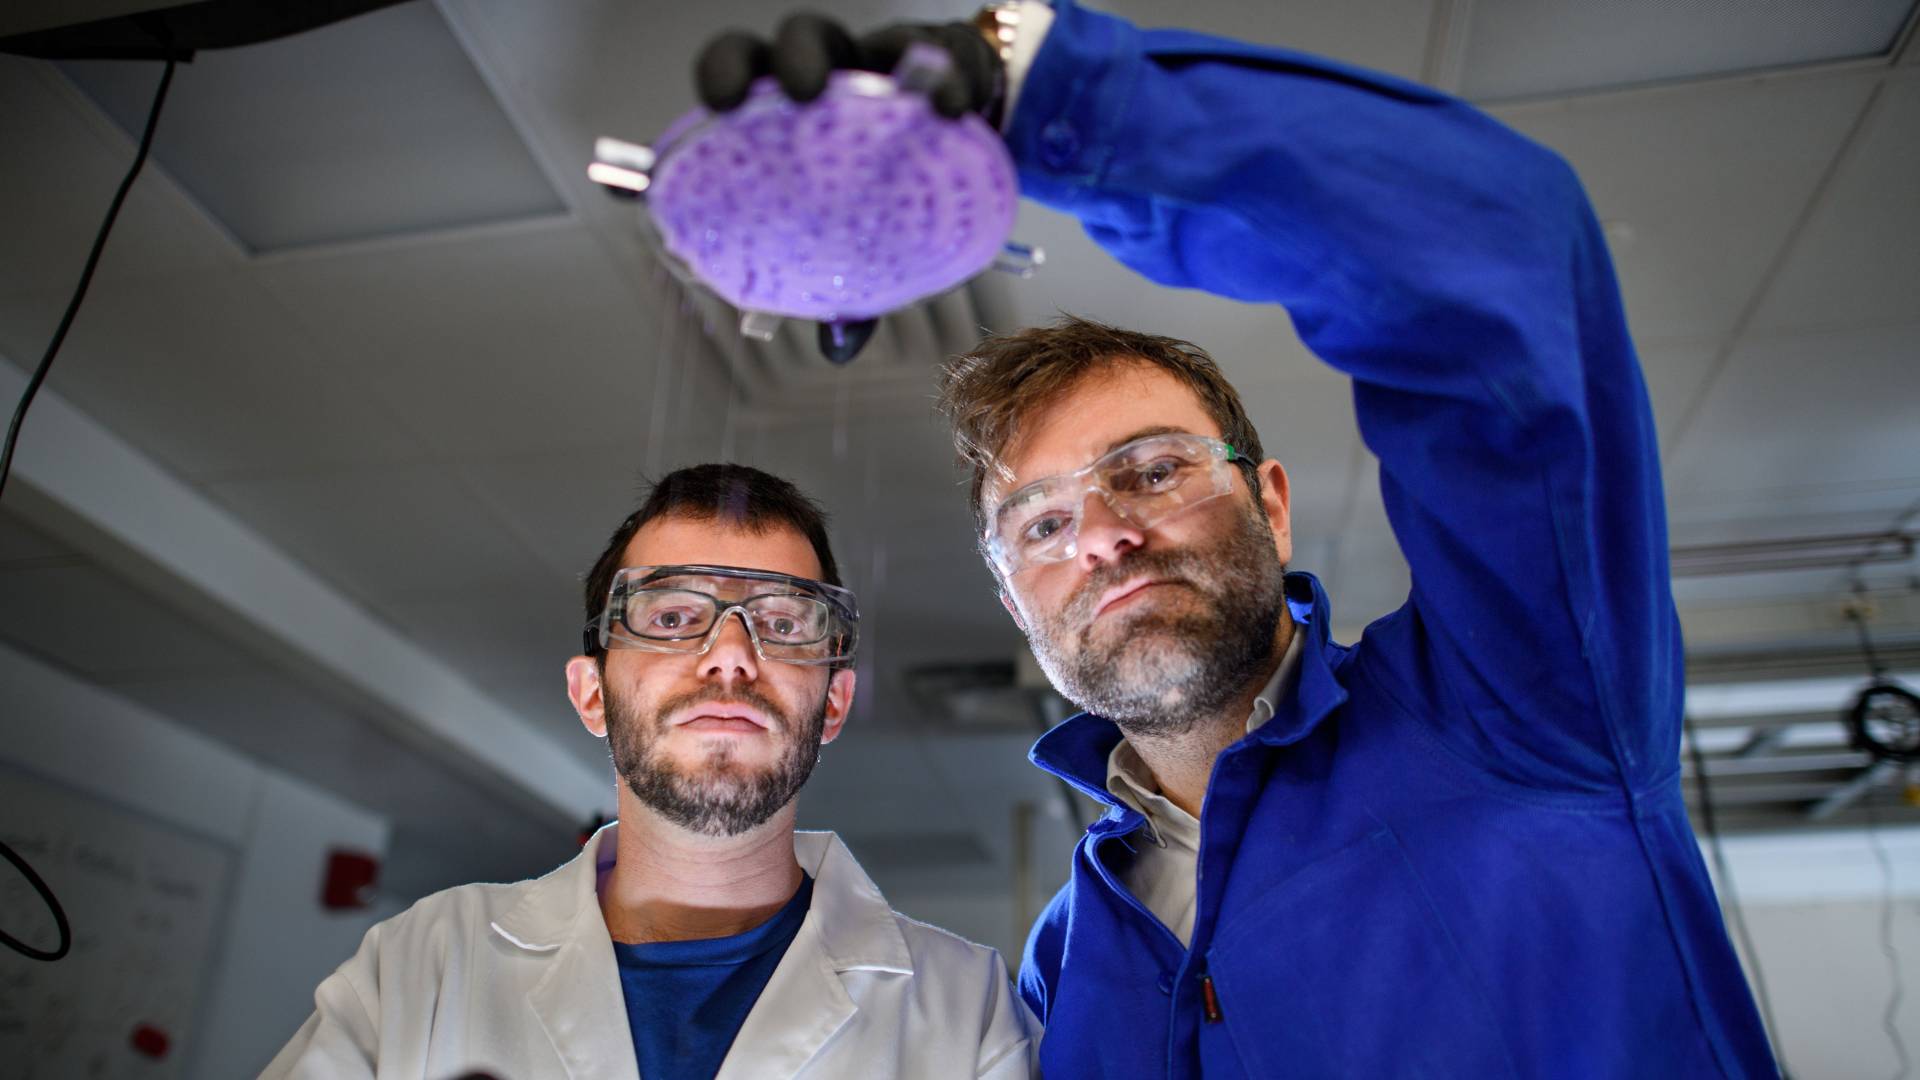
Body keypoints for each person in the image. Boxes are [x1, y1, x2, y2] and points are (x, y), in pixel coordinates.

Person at [695, 4, 1778, 1078]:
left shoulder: (1514, 706)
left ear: (1272, 503)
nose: (1105, 538)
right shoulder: (1064, 965)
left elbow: (1501, 256)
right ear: (1016, 604)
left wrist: (1047, 93)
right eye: (1043, 524)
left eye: (1152, 471)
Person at [265, 464, 1038, 1078]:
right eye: (671, 618)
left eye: (779, 622)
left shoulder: (969, 1011)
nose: (730, 656)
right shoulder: (422, 965)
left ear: (834, 704)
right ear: (591, 693)